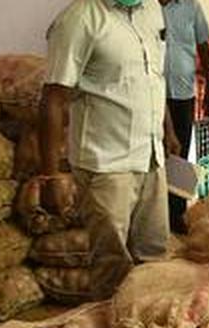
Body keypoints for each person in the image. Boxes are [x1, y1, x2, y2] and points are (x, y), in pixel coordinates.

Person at [40, 0, 182, 300]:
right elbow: (53, 99)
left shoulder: (150, 11)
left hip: (150, 157)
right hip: (106, 163)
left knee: (153, 256)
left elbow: (152, 78)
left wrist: (167, 129)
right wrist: (50, 177)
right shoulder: (80, 19)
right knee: (112, 265)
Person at [162, 0, 209, 231]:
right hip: (151, 94)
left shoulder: (191, 7)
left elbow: (204, 46)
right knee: (153, 155)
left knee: (181, 156)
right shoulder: (144, 7)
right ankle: (155, 215)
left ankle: (177, 214)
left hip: (183, 92)